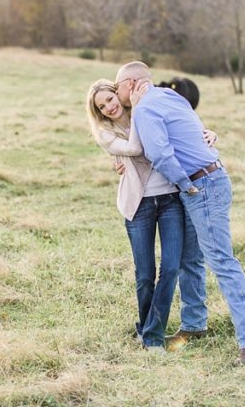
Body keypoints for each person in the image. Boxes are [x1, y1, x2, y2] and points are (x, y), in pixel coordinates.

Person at [114, 61, 245, 366]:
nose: (117, 96)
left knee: (222, 261)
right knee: (190, 258)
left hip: (200, 185)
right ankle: (195, 325)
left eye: (117, 88)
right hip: (209, 178)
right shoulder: (170, 97)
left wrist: (186, 184)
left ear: (130, 84)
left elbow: (160, 152)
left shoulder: (145, 109)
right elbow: (193, 131)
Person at [86, 79, 210, 351]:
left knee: (170, 268)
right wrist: (140, 110)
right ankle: (148, 330)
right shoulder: (105, 133)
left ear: (119, 94)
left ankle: (151, 335)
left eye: (110, 98)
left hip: (169, 201)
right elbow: (134, 149)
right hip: (138, 205)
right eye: (102, 106)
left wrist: (207, 132)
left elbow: (179, 128)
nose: (109, 107)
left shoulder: (145, 110)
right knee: (145, 273)